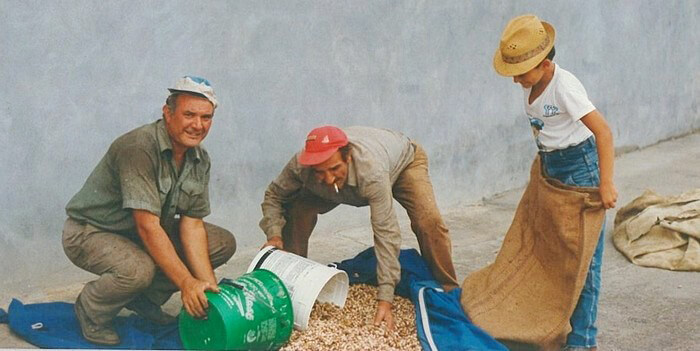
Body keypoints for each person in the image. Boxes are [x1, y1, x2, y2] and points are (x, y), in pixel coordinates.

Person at [62, 76, 236, 345]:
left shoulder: (199, 158)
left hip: (137, 234)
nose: (198, 125)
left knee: (221, 243)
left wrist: (209, 290)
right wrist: (187, 284)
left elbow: (192, 225)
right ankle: (91, 308)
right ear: (167, 113)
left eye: (206, 117)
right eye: (189, 114)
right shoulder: (138, 148)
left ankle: (143, 301)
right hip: (91, 232)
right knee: (137, 270)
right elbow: (147, 226)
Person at [493, 15, 618, 351]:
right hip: (552, 167)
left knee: (584, 263)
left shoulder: (565, 87)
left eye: (521, 72)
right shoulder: (533, 84)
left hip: (581, 171)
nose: (516, 79)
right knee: (555, 255)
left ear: (545, 65)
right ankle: (550, 323)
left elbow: (603, 132)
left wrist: (605, 184)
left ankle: (582, 340)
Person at [259, 125, 459, 330]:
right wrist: (274, 235)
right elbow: (274, 196)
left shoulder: (370, 170)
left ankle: (449, 289)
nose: (328, 178)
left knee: (428, 221)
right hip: (349, 183)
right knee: (298, 209)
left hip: (403, 164)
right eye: (320, 172)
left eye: (334, 169)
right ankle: (295, 286)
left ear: (348, 158)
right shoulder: (301, 167)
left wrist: (385, 299)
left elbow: (386, 233)